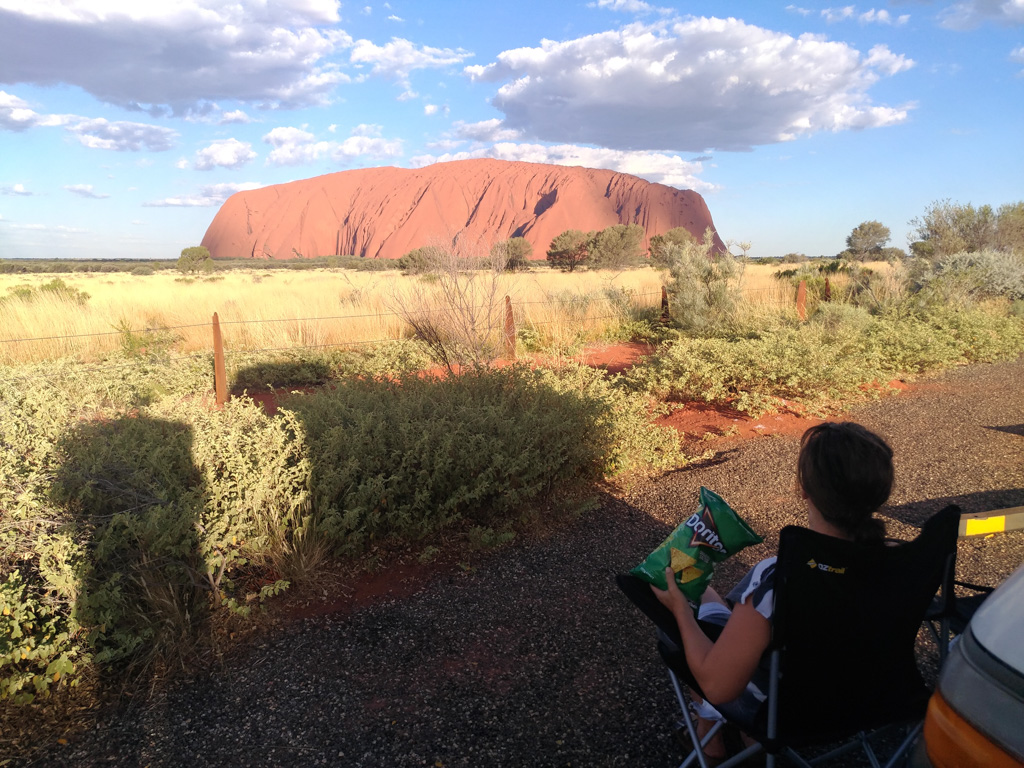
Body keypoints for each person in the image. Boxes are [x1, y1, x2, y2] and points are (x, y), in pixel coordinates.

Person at [651, 421, 895, 758]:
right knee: (706, 594)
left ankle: (713, 741)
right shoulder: (898, 561)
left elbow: (716, 686)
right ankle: (748, 743)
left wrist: (679, 609)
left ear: (803, 489)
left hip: (780, 710)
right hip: (864, 697)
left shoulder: (778, 577)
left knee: (684, 616)